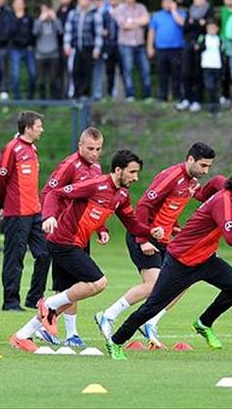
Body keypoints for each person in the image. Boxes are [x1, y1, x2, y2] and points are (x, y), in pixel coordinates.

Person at [9, 150, 164, 353]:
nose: (136, 178)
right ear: (118, 170)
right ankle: (48, 303)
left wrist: (150, 231)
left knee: (68, 298)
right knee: (98, 282)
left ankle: (22, 335)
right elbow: (55, 193)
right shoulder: (95, 185)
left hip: (76, 245)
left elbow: (133, 225)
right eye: (132, 172)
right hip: (63, 241)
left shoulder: (122, 196)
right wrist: (49, 216)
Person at [106, 167, 232, 360]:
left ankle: (204, 323)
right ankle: (116, 341)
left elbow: (217, 180)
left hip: (205, 259)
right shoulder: (224, 201)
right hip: (180, 261)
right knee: (152, 307)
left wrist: (200, 193)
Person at [95, 143, 217, 348]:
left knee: (184, 279)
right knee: (153, 285)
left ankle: (151, 321)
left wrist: (174, 227)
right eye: (203, 165)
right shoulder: (171, 176)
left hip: (164, 239)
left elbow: (170, 208)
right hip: (145, 236)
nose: (205, 171)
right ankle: (107, 315)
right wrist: (144, 240)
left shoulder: (191, 182)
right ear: (190, 159)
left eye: (208, 167)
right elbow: (144, 205)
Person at [35, 127, 105, 346]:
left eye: (98, 149)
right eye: (90, 148)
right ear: (80, 146)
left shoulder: (97, 168)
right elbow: (49, 191)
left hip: (81, 232)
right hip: (64, 234)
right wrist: (49, 217)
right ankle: (64, 331)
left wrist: (102, 228)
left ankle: (59, 331)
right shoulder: (69, 165)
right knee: (70, 284)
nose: (94, 153)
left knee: (75, 284)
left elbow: (97, 200)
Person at [0, 111, 49, 311]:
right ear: (27, 128)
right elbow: (1, 181)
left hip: (35, 211)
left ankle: (34, 298)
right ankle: (10, 302)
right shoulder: (12, 148)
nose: (41, 130)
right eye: (38, 126)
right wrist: (4, 205)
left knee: (44, 253)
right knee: (15, 257)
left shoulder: (32, 148)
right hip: (17, 212)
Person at [178, 0, 214, 112]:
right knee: (185, 72)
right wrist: (198, 23)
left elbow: (208, 27)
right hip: (188, 44)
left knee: (198, 73)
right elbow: (185, 27)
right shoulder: (191, 10)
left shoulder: (209, 10)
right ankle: (186, 98)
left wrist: (194, 23)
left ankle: (197, 100)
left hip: (202, 45)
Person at [112, 0, 151, 100]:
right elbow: (123, 25)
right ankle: (130, 95)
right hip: (125, 44)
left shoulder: (141, 7)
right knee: (127, 70)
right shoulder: (120, 9)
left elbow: (146, 20)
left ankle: (147, 95)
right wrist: (138, 22)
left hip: (140, 43)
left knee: (145, 69)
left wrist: (131, 21)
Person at [63, 0, 103, 99]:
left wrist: (97, 48)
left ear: (89, 1)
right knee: (75, 70)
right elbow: (68, 30)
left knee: (87, 71)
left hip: (89, 47)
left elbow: (99, 33)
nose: (82, 2)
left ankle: (84, 94)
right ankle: (75, 94)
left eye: (85, 0)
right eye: (81, 0)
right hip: (76, 47)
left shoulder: (96, 14)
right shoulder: (73, 13)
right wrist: (66, 45)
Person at [147, 0, 186, 102]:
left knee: (177, 74)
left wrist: (174, 11)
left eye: (170, 2)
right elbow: (152, 32)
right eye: (165, 2)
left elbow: (182, 23)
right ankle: (162, 96)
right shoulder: (157, 16)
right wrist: (150, 47)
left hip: (177, 49)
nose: (167, 4)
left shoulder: (181, 13)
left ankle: (177, 97)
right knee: (162, 74)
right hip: (161, 49)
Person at [33, 1, 63, 99]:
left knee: (54, 79)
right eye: (43, 11)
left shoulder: (55, 22)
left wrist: (55, 19)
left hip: (54, 53)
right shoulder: (37, 22)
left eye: (47, 10)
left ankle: (55, 99)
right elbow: (35, 32)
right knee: (40, 79)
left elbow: (60, 31)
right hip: (40, 54)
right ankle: (42, 99)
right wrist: (40, 20)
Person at [9, 0, 37, 100]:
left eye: (21, 3)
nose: (19, 6)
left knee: (33, 73)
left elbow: (33, 33)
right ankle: (17, 97)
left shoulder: (29, 18)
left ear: (24, 5)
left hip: (28, 49)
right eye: (17, 3)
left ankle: (30, 96)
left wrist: (32, 45)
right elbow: (9, 33)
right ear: (13, 5)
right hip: (15, 49)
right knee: (15, 74)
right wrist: (17, 20)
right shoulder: (10, 18)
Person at [198, 21, 224, 111]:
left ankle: (216, 103)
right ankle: (211, 102)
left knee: (217, 85)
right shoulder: (204, 38)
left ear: (217, 29)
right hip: (207, 65)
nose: (212, 30)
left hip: (217, 65)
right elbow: (200, 48)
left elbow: (222, 51)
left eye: (214, 28)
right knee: (209, 85)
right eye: (210, 28)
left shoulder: (219, 39)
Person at [219, 0, 232, 104]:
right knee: (225, 72)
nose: (228, 0)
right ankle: (225, 95)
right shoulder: (223, 10)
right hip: (224, 45)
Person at [102, 0, 121, 97]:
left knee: (123, 69)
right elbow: (101, 27)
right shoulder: (105, 14)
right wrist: (103, 31)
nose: (112, 1)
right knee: (109, 70)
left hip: (121, 43)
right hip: (108, 44)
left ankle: (126, 94)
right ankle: (110, 94)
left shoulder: (123, 12)